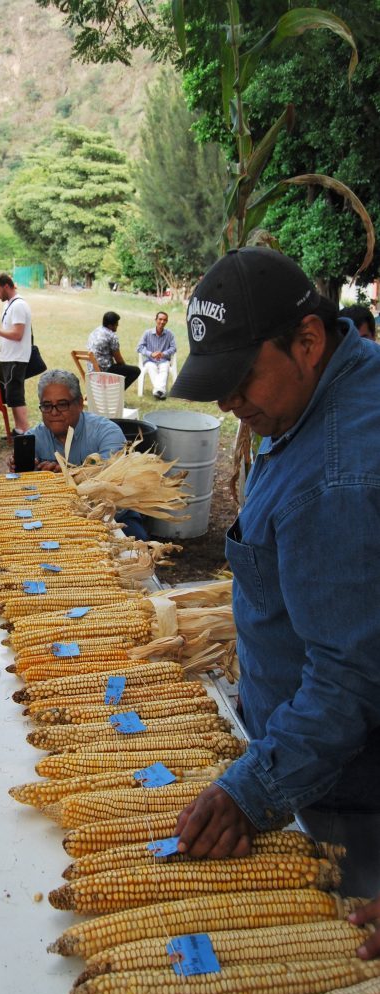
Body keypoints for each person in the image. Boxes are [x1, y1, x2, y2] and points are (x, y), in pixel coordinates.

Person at [168, 246, 380, 898]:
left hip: (347, 785)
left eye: (241, 379)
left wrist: (249, 791)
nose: (231, 403)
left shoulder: (338, 473)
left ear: (307, 341)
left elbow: (348, 676)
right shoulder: (330, 388)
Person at [12, 368, 147, 540]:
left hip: (112, 518)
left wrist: (68, 477)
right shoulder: (34, 438)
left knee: (138, 548)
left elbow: (112, 486)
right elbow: (23, 493)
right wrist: (21, 473)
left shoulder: (106, 433)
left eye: (62, 404)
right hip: (57, 519)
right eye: (47, 406)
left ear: (79, 404)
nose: (54, 412)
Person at [0, 273, 31, 435]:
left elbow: (18, 334)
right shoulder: (9, 305)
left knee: (16, 396)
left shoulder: (18, 305)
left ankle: (25, 432)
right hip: (8, 357)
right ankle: (18, 429)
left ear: (7, 286)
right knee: (10, 396)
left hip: (16, 358)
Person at [87, 312, 140, 390]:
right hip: (104, 370)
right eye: (116, 324)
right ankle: (115, 393)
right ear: (110, 325)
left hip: (91, 369)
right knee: (135, 371)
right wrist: (124, 368)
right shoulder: (111, 336)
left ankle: (110, 392)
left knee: (121, 369)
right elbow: (119, 360)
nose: (118, 325)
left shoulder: (95, 331)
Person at [137, 311, 176, 399]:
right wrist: (151, 354)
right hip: (150, 360)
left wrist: (163, 354)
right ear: (156, 320)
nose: (162, 322)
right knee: (151, 367)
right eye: (160, 319)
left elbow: (173, 348)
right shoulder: (147, 333)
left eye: (165, 320)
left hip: (164, 360)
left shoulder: (170, 334)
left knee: (164, 368)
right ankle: (160, 391)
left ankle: (157, 391)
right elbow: (139, 347)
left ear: (167, 322)